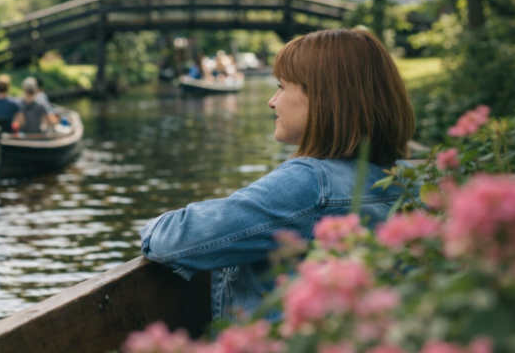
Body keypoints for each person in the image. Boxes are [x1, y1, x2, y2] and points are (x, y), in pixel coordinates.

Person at [140, 28, 417, 327]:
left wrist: (152, 227)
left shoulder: (310, 184)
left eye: (282, 87)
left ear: (324, 97)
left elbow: (169, 240)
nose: (272, 101)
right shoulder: (409, 179)